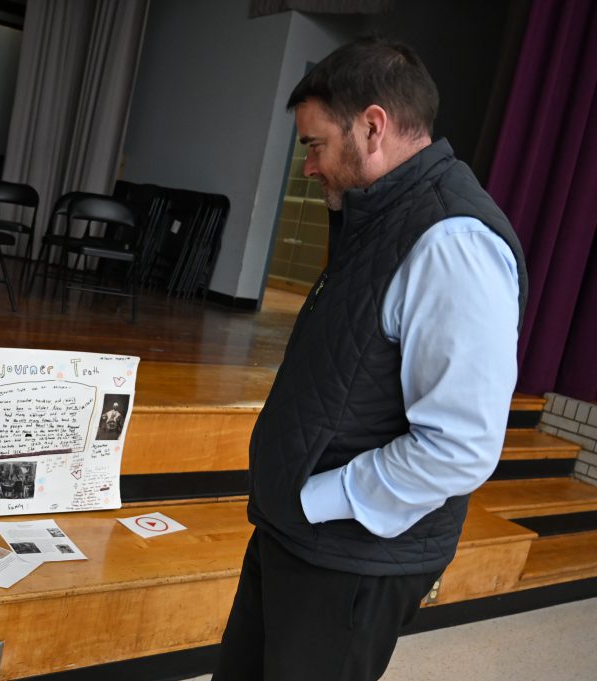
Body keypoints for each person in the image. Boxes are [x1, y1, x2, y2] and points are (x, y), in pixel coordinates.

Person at [214, 38, 527, 681]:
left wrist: (317, 497)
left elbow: (460, 446)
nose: (308, 167)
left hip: (348, 562)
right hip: (299, 534)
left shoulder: (452, 244)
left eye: (314, 145)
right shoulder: (381, 218)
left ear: (373, 126)